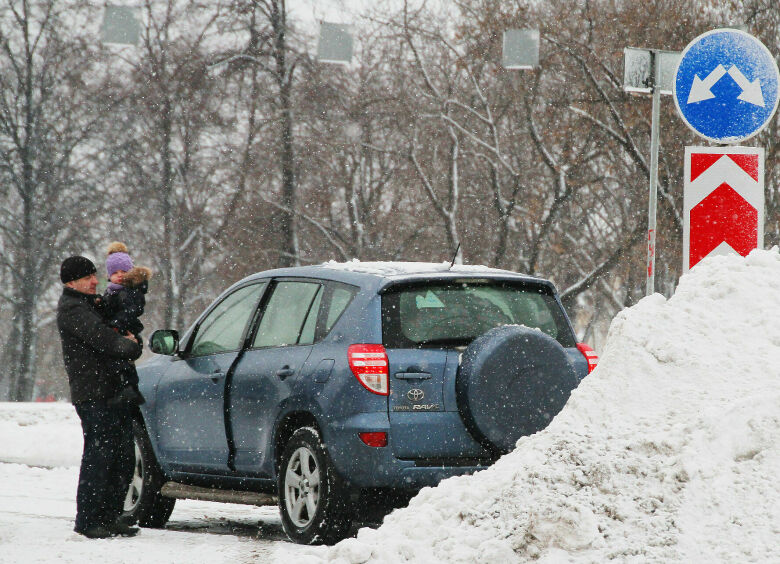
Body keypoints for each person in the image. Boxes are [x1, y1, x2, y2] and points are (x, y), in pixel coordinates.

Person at [56, 255, 143, 539]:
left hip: (113, 391)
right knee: (100, 456)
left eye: (95, 275)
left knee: (122, 456)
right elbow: (105, 339)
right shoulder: (72, 309)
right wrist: (129, 347)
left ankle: (110, 515)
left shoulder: (91, 303)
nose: (96, 281)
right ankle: (89, 520)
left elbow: (120, 332)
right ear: (72, 282)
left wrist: (132, 341)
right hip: (93, 394)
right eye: (88, 278)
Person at [102, 242, 152, 406]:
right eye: (115, 272)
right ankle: (124, 389)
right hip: (116, 329)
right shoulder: (111, 291)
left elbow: (133, 310)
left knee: (124, 363)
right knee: (117, 363)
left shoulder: (130, 291)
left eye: (124, 271)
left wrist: (117, 324)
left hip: (125, 329)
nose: (120, 275)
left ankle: (130, 389)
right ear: (109, 275)